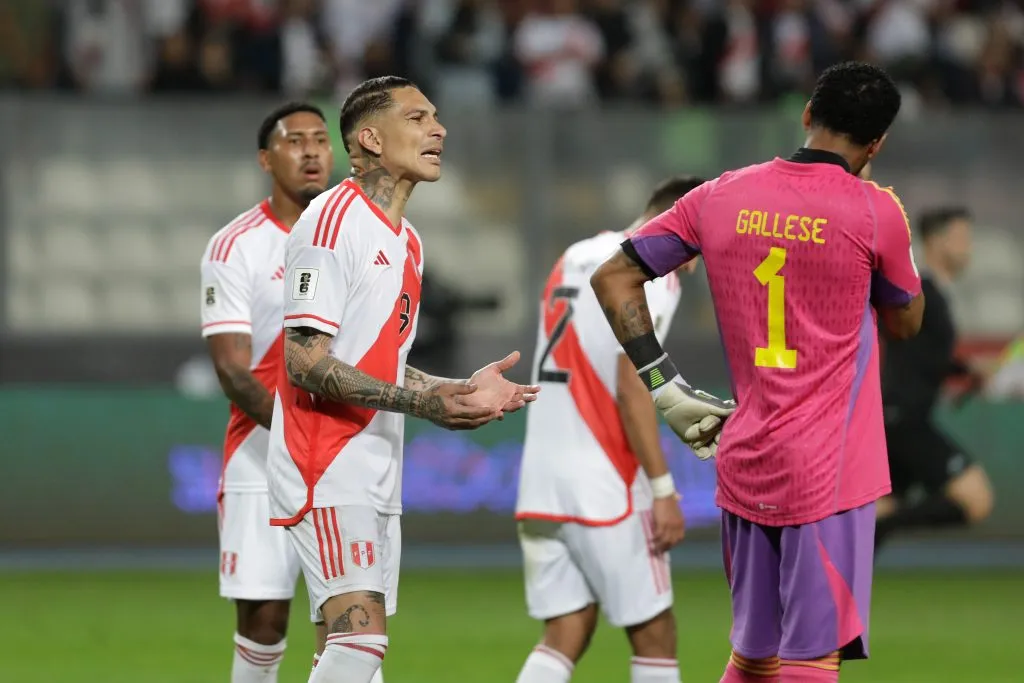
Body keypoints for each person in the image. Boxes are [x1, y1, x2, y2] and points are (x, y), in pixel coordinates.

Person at [590, 61, 924, 683]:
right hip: (828, 471)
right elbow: (906, 322)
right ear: (876, 144)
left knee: (755, 657)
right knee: (810, 661)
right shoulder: (876, 210)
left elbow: (613, 277)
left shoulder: (720, 194)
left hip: (745, 457)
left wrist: (666, 388)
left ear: (806, 116)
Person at [264, 76, 540, 683]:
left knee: (346, 650)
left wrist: (447, 390)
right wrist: (423, 407)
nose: (438, 129)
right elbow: (305, 361)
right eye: (417, 119)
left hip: (375, 466)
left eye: (436, 118)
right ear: (370, 138)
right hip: (328, 459)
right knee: (361, 643)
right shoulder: (331, 222)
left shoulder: (408, 243)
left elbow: (378, 360)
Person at [514, 175, 706, 683]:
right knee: (655, 634)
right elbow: (632, 381)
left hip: (542, 479)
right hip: (606, 484)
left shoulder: (576, 254)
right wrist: (663, 488)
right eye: (699, 246)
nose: (694, 264)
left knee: (566, 630)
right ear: (682, 226)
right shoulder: (650, 277)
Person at [200, 102, 333, 683]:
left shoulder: (349, 237)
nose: (310, 151)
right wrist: (297, 431)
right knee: (265, 621)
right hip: (262, 453)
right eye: (294, 140)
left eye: (321, 140)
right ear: (265, 158)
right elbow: (233, 370)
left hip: (339, 457)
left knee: (351, 622)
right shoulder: (236, 245)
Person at [875, 207, 994, 551]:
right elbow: (915, 348)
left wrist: (964, 372)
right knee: (976, 498)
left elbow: (924, 356)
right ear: (935, 241)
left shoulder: (929, 294)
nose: (967, 247)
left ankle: (834, 597)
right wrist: (968, 369)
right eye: (960, 238)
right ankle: (882, 527)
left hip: (898, 417)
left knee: (876, 510)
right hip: (903, 419)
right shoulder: (920, 292)